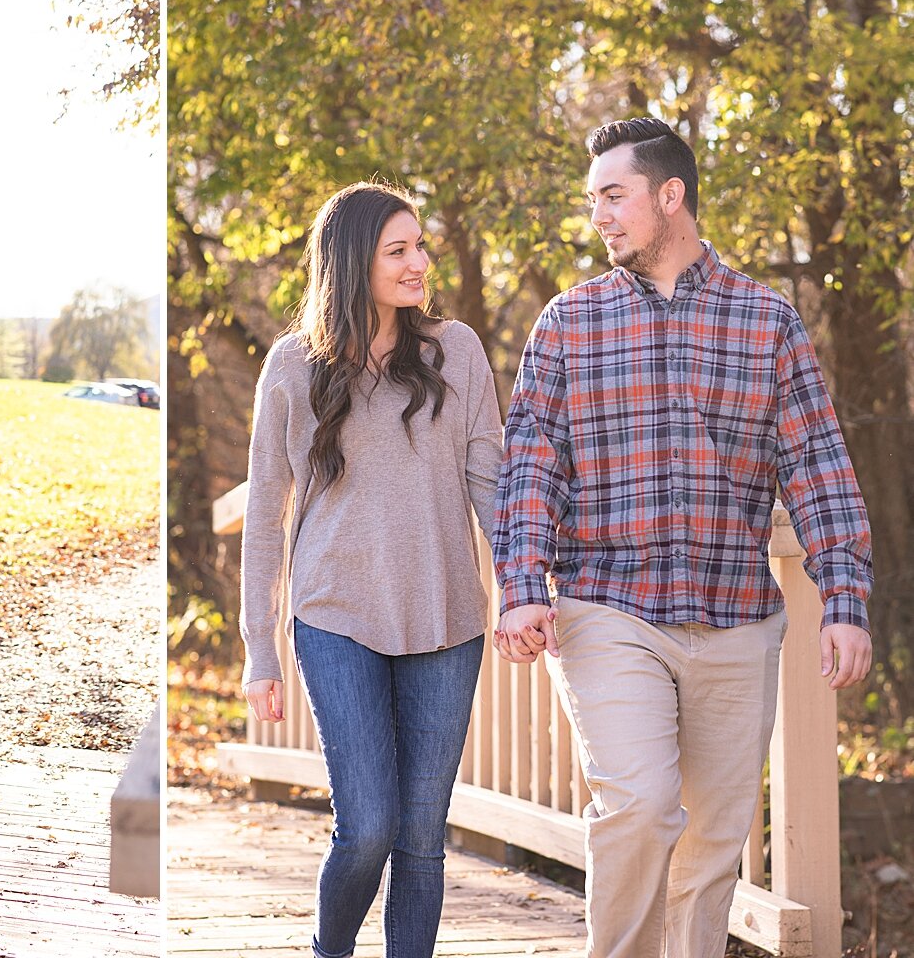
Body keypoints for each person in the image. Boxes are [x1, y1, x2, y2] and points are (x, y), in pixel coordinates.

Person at [494, 116, 873, 957]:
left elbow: (817, 466)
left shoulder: (765, 321)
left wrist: (843, 602)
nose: (598, 215)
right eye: (592, 199)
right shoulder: (568, 323)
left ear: (671, 197)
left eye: (614, 195)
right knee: (637, 801)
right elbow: (530, 469)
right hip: (607, 607)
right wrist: (522, 588)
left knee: (712, 844)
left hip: (736, 615)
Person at [240, 182, 503, 958]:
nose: (421, 262)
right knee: (368, 828)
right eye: (400, 251)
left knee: (421, 839)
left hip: (446, 619)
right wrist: (261, 646)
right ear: (354, 263)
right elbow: (263, 515)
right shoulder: (292, 366)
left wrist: (524, 584)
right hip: (336, 618)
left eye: (421, 246)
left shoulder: (457, 351)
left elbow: (489, 479)